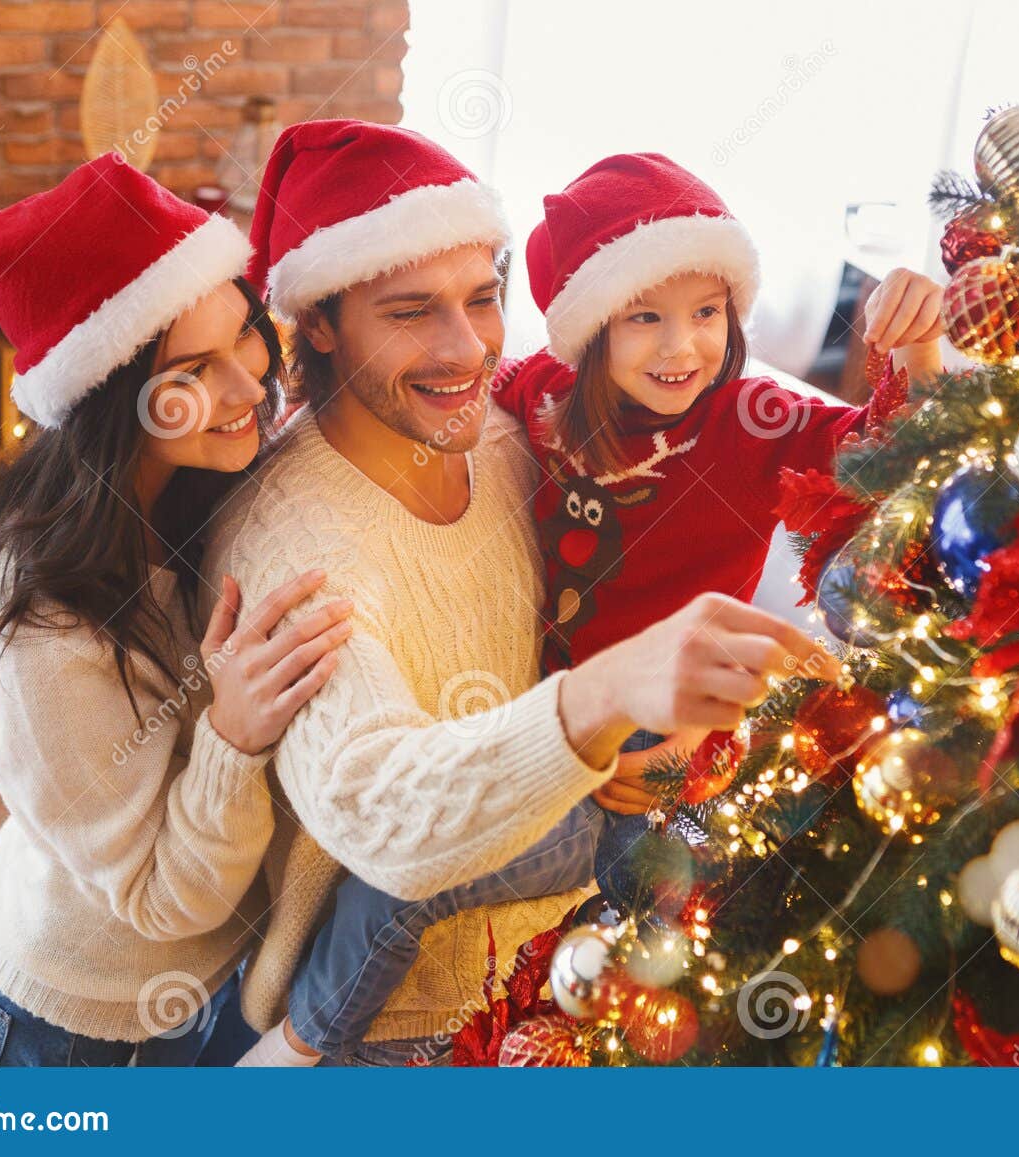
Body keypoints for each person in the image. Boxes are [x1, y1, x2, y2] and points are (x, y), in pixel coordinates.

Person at [204, 120, 838, 1066]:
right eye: (413, 309)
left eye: (483, 298)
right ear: (321, 323)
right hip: (404, 1030)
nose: (466, 348)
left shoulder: (501, 426)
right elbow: (390, 823)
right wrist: (603, 703)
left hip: (552, 963)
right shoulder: (296, 542)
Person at [0, 154, 349, 1066]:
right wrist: (234, 735)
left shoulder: (192, 485)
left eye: (245, 333)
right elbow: (163, 895)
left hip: (205, 989)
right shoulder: (38, 628)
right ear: (105, 398)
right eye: (196, 369)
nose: (251, 385)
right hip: (70, 1030)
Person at [493, 152, 945, 909]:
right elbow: (476, 394)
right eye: (646, 317)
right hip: (552, 719)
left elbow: (898, 457)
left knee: (658, 912)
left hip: (678, 736)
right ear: (588, 327)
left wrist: (919, 343)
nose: (683, 348)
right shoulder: (546, 391)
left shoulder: (751, 421)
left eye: (707, 312)